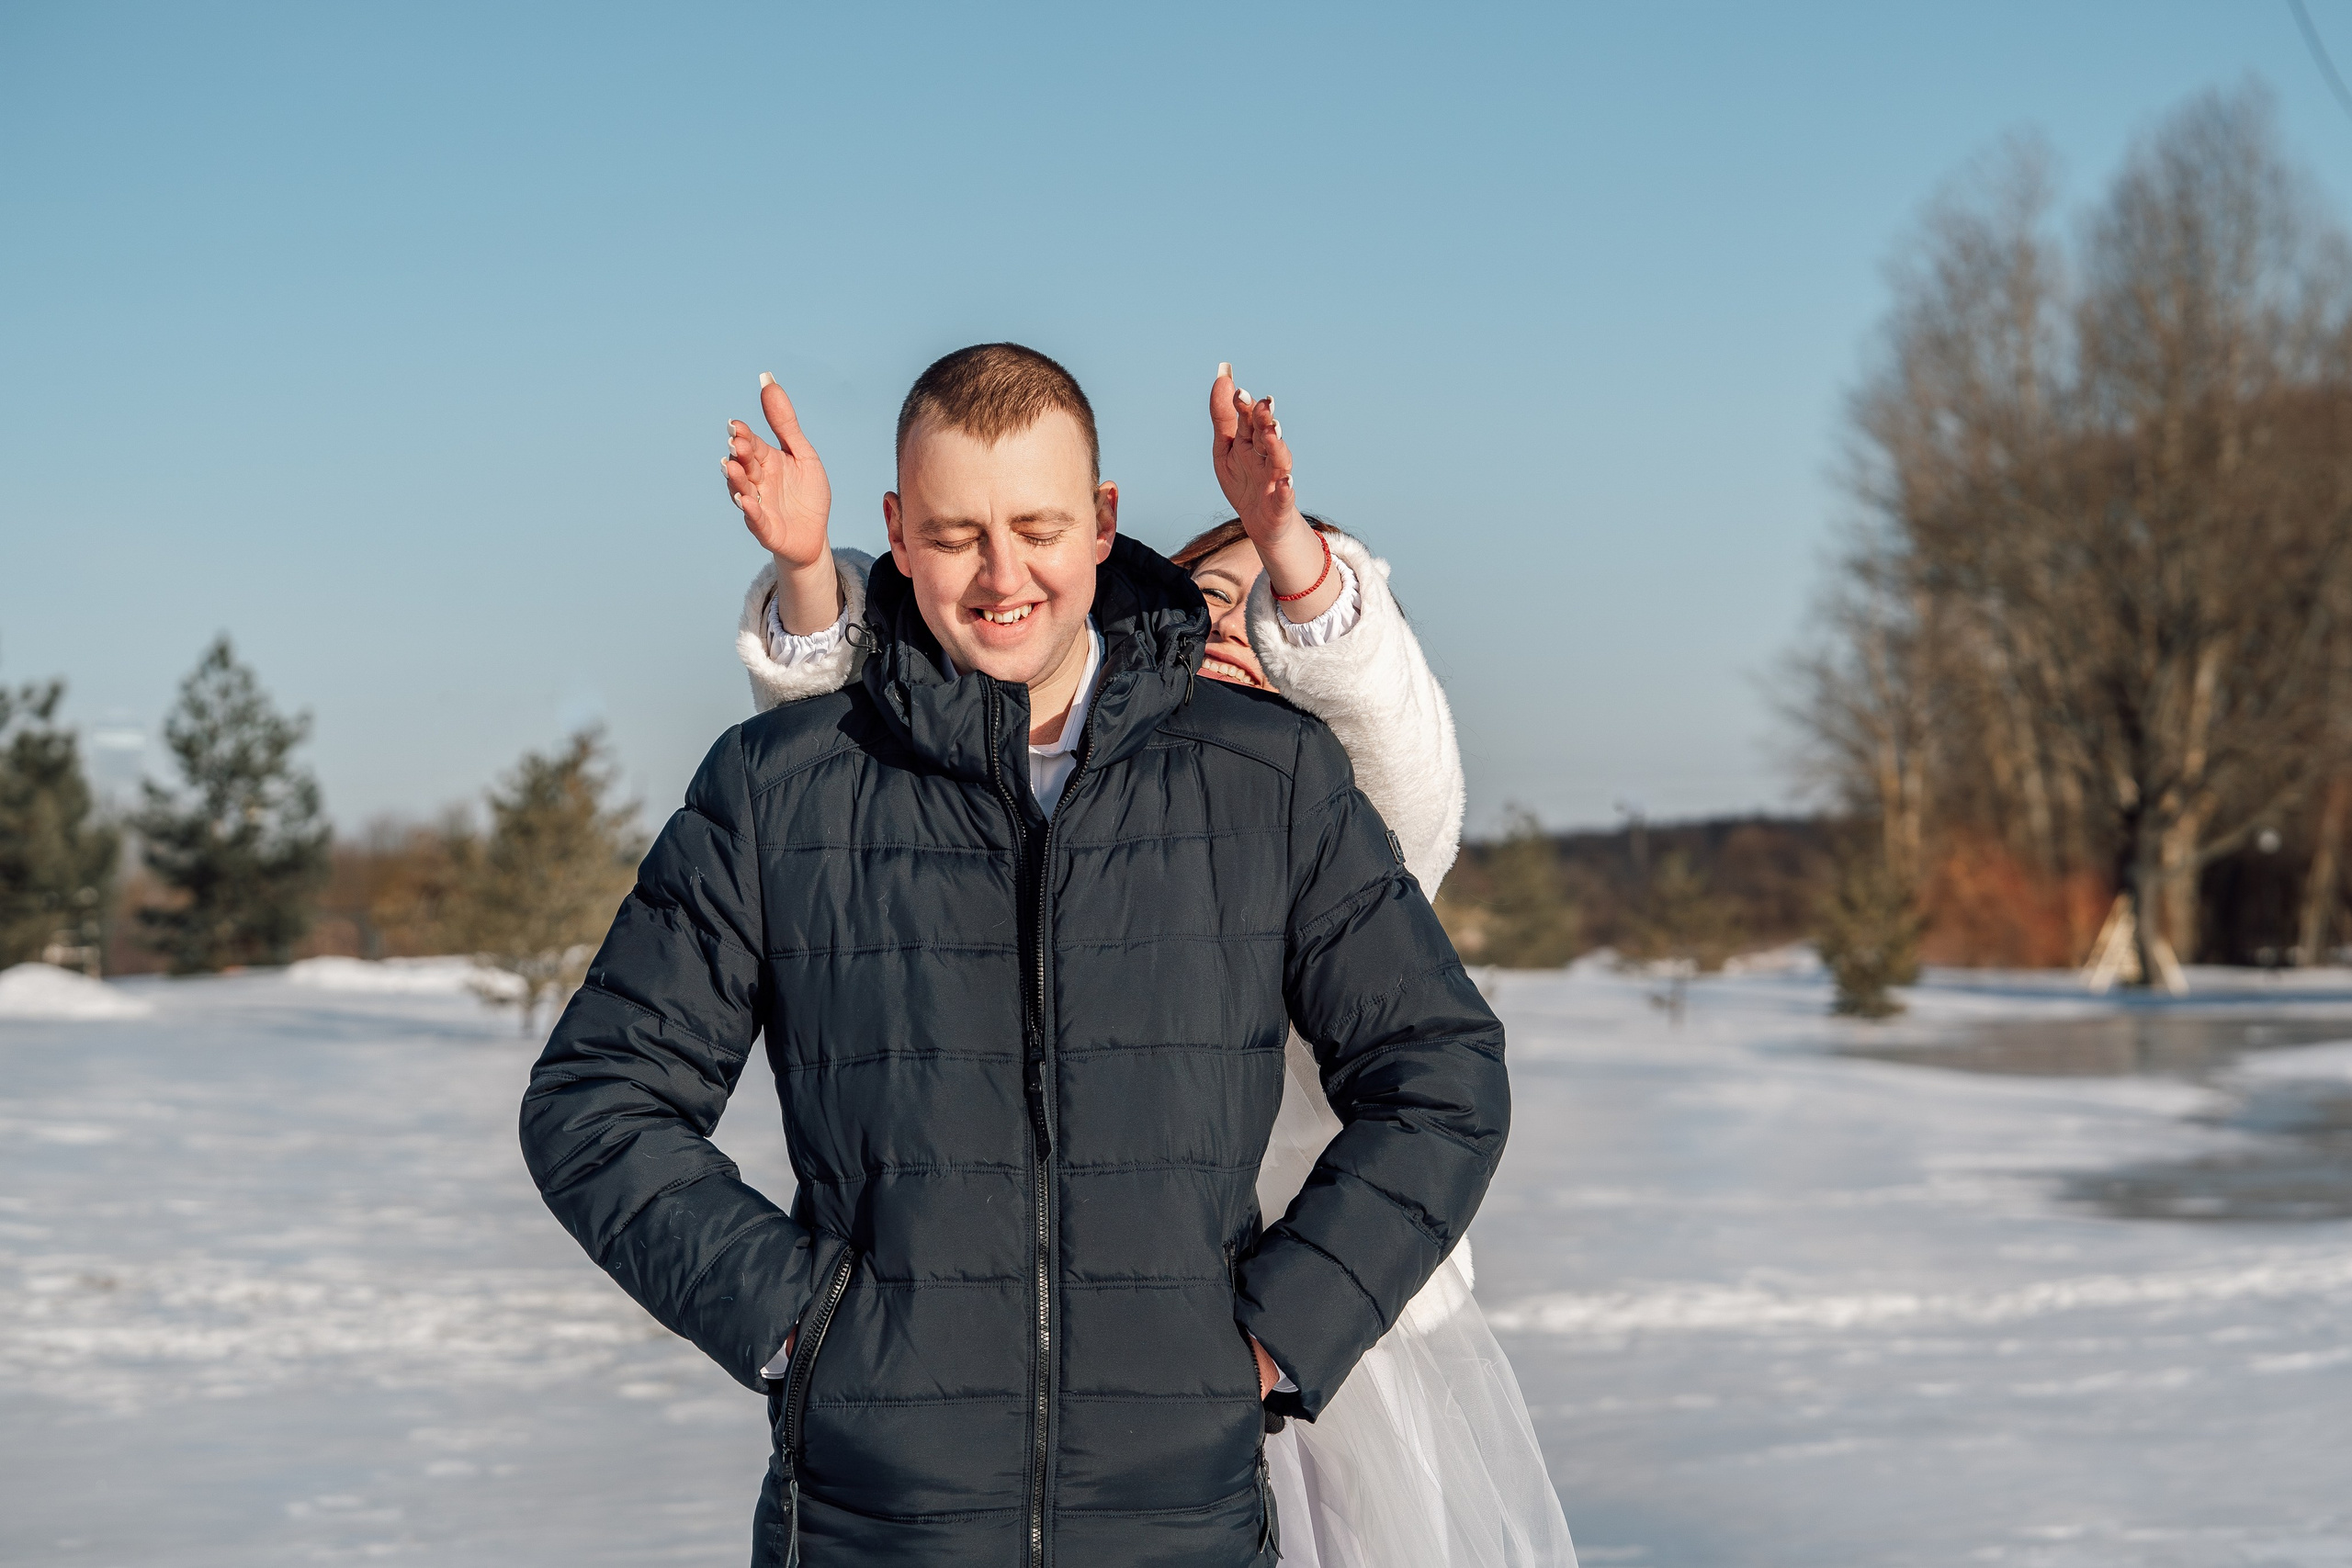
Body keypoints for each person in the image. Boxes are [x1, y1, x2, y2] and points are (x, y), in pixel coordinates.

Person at [521, 343, 1510, 1568]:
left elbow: (1441, 1075)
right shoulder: (780, 790)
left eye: (1037, 526)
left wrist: (1267, 1338)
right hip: (871, 1528)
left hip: (1180, 1526)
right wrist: (801, 1328)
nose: (1002, 576)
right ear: (894, 530)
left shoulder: (1265, 780)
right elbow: (595, 1102)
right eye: (955, 534)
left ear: (1101, 522)